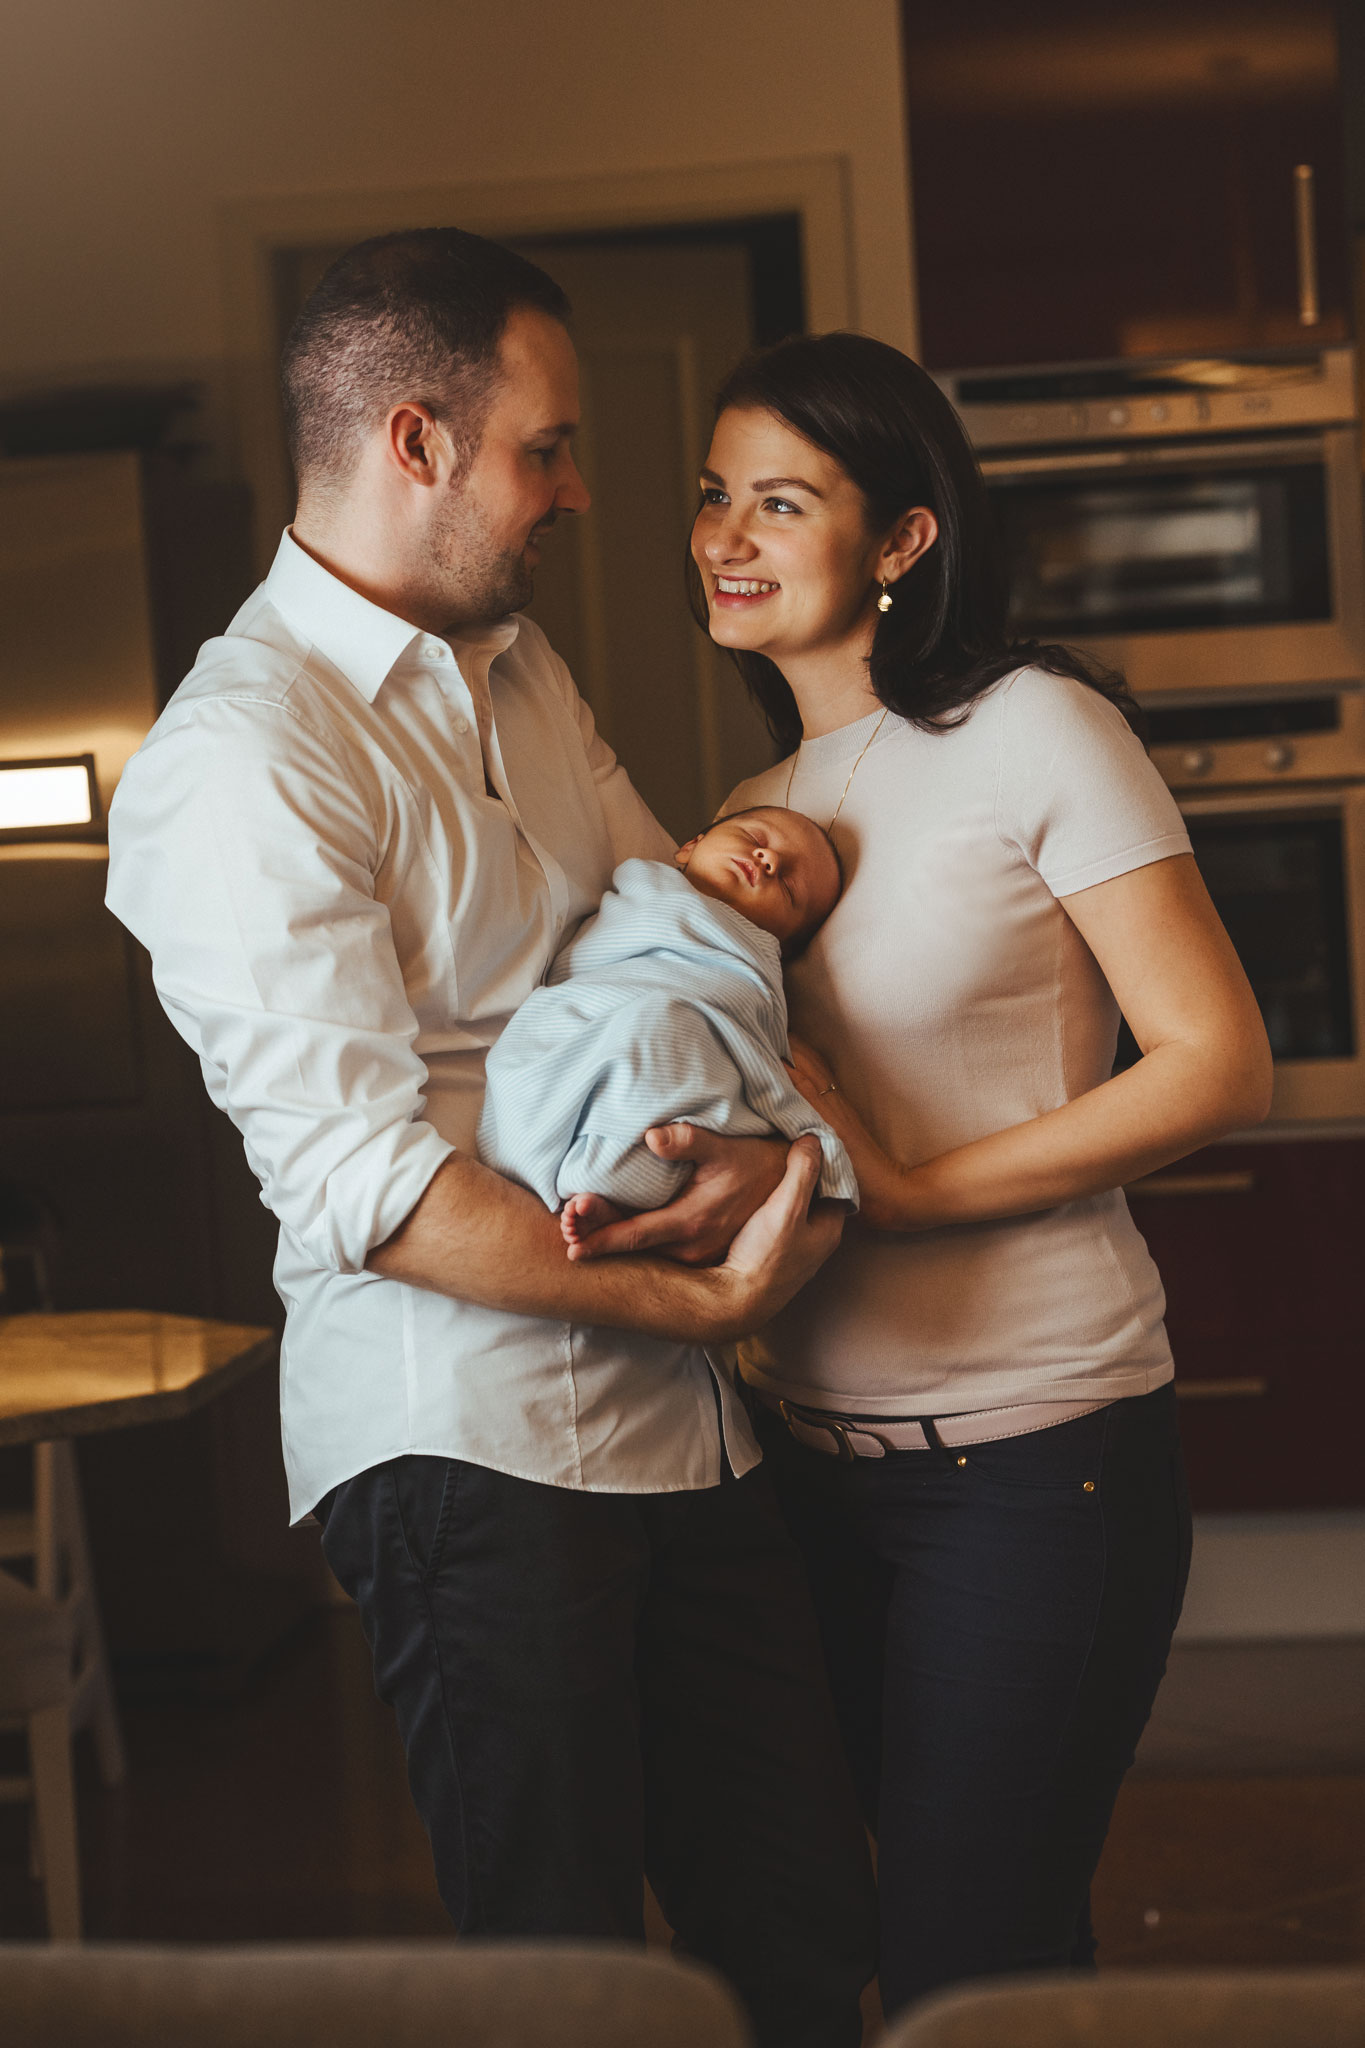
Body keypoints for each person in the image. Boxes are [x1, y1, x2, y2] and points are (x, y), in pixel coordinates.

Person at [105, 234, 876, 2048]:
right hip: (471, 1440)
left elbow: (682, 931)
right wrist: (704, 1296)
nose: (584, 491)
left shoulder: (517, 665)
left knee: (801, 1925)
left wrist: (789, 1166)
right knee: (569, 1981)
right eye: (550, 445)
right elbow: (370, 1183)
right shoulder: (244, 756)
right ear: (416, 439)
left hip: (688, 1431)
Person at [584, 329, 1272, 2015]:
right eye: (711, 496)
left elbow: (1216, 1059)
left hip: (1035, 1465)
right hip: (805, 1467)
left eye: (783, 501)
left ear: (902, 539)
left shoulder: (1036, 728)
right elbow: (781, 1115)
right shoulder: (756, 804)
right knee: (892, 1954)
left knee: (972, 1955)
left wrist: (922, 1186)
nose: (725, 536)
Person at [477, 804, 857, 1246]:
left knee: (669, 1034)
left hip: (669, 1045)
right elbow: (579, 968)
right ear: (689, 846)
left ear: (783, 945)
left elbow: (749, 1027)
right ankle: (589, 1181)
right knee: (546, 1032)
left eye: (790, 888)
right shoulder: (639, 891)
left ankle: (614, 1193)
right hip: (579, 1024)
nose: (769, 862)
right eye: (756, 839)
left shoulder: (753, 963)